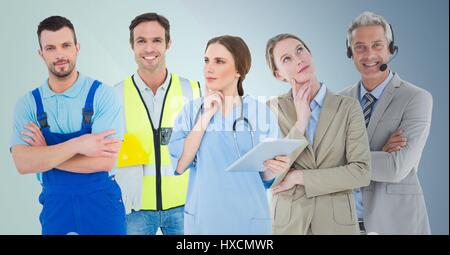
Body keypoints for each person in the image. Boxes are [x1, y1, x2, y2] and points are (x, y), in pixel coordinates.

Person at [10, 16, 125, 235]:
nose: (60, 54)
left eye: (65, 45)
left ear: (77, 48)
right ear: (41, 53)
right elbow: (22, 163)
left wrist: (44, 155)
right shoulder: (28, 104)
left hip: (102, 204)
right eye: (50, 48)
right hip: (56, 205)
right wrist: (79, 145)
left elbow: (104, 161)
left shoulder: (103, 95)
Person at [168, 35, 288, 234]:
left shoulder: (261, 113)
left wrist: (275, 168)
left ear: (239, 70)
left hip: (249, 218)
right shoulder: (190, 112)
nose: (209, 68)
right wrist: (206, 115)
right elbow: (180, 165)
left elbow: (264, 177)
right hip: (206, 219)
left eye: (219, 61)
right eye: (206, 60)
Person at [265, 33, 371, 235]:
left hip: (336, 223)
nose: (298, 59)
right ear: (278, 74)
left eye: (300, 50)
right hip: (288, 223)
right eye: (286, 59)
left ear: (310, 53)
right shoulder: (271, 110)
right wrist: (301, 122)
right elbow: (271, 177)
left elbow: (361, 172)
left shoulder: (348, 107)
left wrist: (300, 177)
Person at [340, 11, 432, 234]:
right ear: (350, 52)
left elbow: (395, 168)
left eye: (377, 45)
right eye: (360, 46)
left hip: (396, 224)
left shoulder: (416, 98)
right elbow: (319, 161)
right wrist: (379, 153)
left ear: (391, 49)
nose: (369, 54)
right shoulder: (337, 102)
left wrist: (341, 158)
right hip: (344, 224)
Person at [113, 12, 201, 235]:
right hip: (135, 210)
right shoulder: (114, 95)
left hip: (185, 207)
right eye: (141, 41)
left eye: (157, 40)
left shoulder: (193, 90)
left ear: (168, 44)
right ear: (132, 45)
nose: (149, 48)